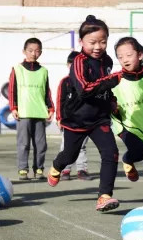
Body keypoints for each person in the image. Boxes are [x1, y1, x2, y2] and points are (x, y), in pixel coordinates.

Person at [48, 15, 122, 212]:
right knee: (69, 156)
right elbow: (84, 89)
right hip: (77, 119)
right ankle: (57, 165)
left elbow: (104, 86)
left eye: (103, 41)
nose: (98, 47)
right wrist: (114, 79)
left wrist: (112, 101)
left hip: (99, 118)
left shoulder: (107, 60)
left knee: (111, 152)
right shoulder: (79, 62)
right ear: (81, 42)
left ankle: (104, 196)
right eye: (92, 42)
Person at [112, 37, 143, 181]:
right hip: (127, 127)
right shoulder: (113, 81)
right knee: (138, 152)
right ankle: (127, 159)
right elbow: (103, 100)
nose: (125, 59)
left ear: (140, 55)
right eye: (120, 57)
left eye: (129, 55)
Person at [8, 37, 54, 181]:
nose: (34, 53)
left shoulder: (44, 71)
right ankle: (23, 169)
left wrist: (51, 108)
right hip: (23, 112)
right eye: (30, 50)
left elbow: (47, 91)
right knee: (24, 143)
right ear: (24, 51)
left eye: (37, 51)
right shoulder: (17, 69)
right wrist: (13, 107)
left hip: (40, 112)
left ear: (41, 52)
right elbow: (12, 90)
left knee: (41, 144)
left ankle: (39, 169)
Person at [58, 51, 90, 180]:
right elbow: (60, 100)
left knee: (81, 146)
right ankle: (65, 169)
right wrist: (59, 118)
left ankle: (82, 170)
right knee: (66, 145)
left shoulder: (87, 82)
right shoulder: (65, 82)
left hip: (83, 120)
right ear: (68, 65)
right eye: (72, 64)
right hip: (68, 120)